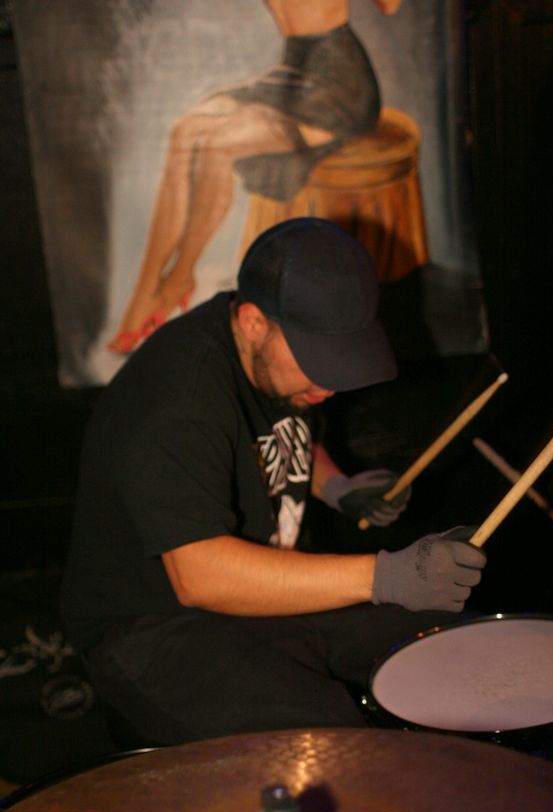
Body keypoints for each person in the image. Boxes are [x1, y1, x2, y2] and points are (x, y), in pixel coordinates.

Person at [64, 218, 485, 746]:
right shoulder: (177, 401)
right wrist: (385, 577)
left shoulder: (276, 365)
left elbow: (284, 436)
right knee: (340, 750)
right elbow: (200, 575)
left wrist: (337, 487)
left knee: (467, 651)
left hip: (264, 588)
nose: (329, 385)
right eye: (317, 361)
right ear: (253, 322)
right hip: (153, 624)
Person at [107, 0, 403, 353]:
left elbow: (390, 6)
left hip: (338, 82)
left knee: (216, 145)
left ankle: (177, 278)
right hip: (292, 70)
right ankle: (149, 287)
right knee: (184, 133)